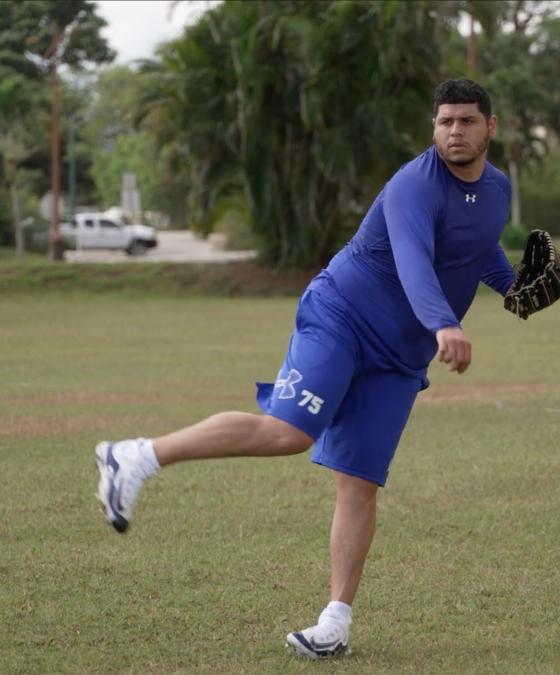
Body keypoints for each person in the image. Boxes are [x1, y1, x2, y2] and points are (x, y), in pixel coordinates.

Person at [93, 78, 517, 660]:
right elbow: (417, 262)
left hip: (399, 355)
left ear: (490, 127)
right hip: (342, 315)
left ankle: (334, 624)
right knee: (287, 433)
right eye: (445, 121)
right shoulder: (413, 186)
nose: (454, 132)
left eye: (467, 121)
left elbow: (477, 250)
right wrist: (446, 323)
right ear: (434, 126)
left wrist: (518, 288)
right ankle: (136, 456)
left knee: (361, 483)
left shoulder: (497, 190)